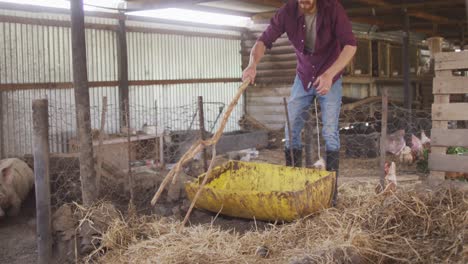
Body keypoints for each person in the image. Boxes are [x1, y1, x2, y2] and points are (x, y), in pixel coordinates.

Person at [242, 0, 357, 206]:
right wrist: (252, 65)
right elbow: (263, 41)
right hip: (303, 77)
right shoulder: (287, 12)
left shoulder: (333, 8)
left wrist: (330, 75)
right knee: (291, 130)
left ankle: (331, 194)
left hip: (330, 77)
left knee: (330, 132)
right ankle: (292, 187)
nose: (304, 1)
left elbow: (350, 45)